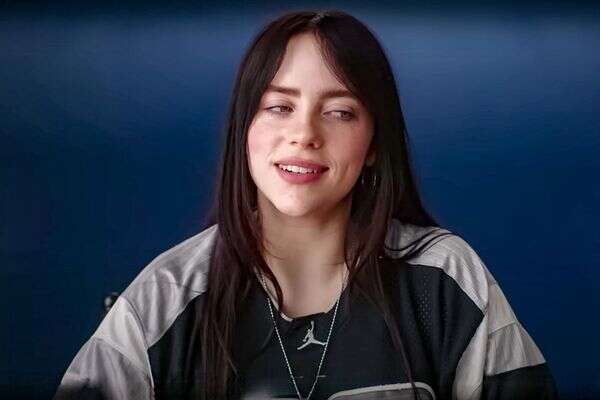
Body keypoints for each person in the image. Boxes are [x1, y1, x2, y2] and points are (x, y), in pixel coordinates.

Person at [53, 10, 559, 400]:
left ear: (375, 143)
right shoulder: (164, 297)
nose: (304, 134)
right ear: (244, 129)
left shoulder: (446, 279)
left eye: (339, 112)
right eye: (279, 107)